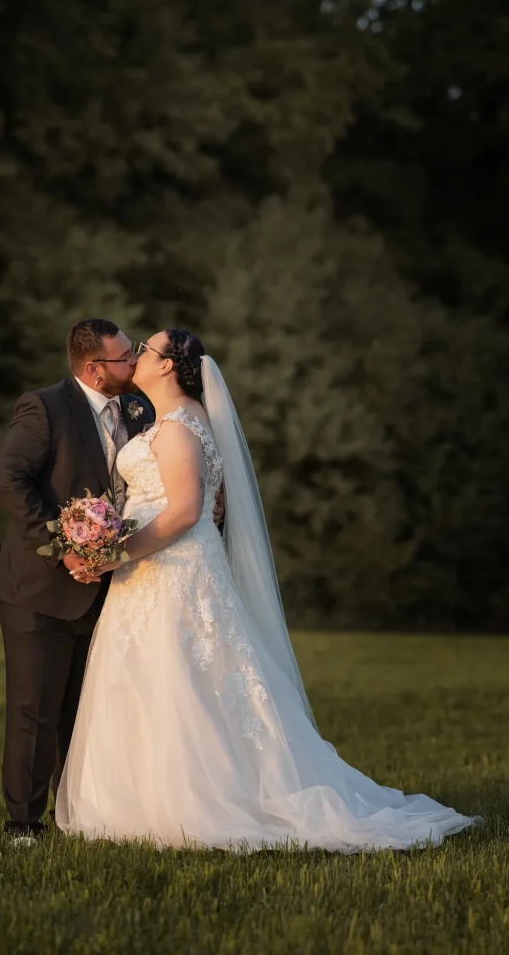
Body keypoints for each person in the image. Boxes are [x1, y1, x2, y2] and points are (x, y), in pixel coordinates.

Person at [55, 329, 482, 852]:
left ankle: (195, 801)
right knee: (153, 680)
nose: (138, 353)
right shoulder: (171, 422)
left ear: (167, 366)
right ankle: (138, 801)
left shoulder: (180, 427)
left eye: (146, 347)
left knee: (181, 680)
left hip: (175, 573)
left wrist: (115, 555)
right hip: (149, 572)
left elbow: (185, 512)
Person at [0, 318, 154, 843]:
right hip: (39, 587)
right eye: (125, 357)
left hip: (111, 588)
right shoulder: (44, 407)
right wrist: (62, 548)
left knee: (85, 712)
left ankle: (78, 815)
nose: (135, 362)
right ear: (93, 369)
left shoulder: (140, 409)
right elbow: (10, 479)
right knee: (34, 709)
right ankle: (23, 822)